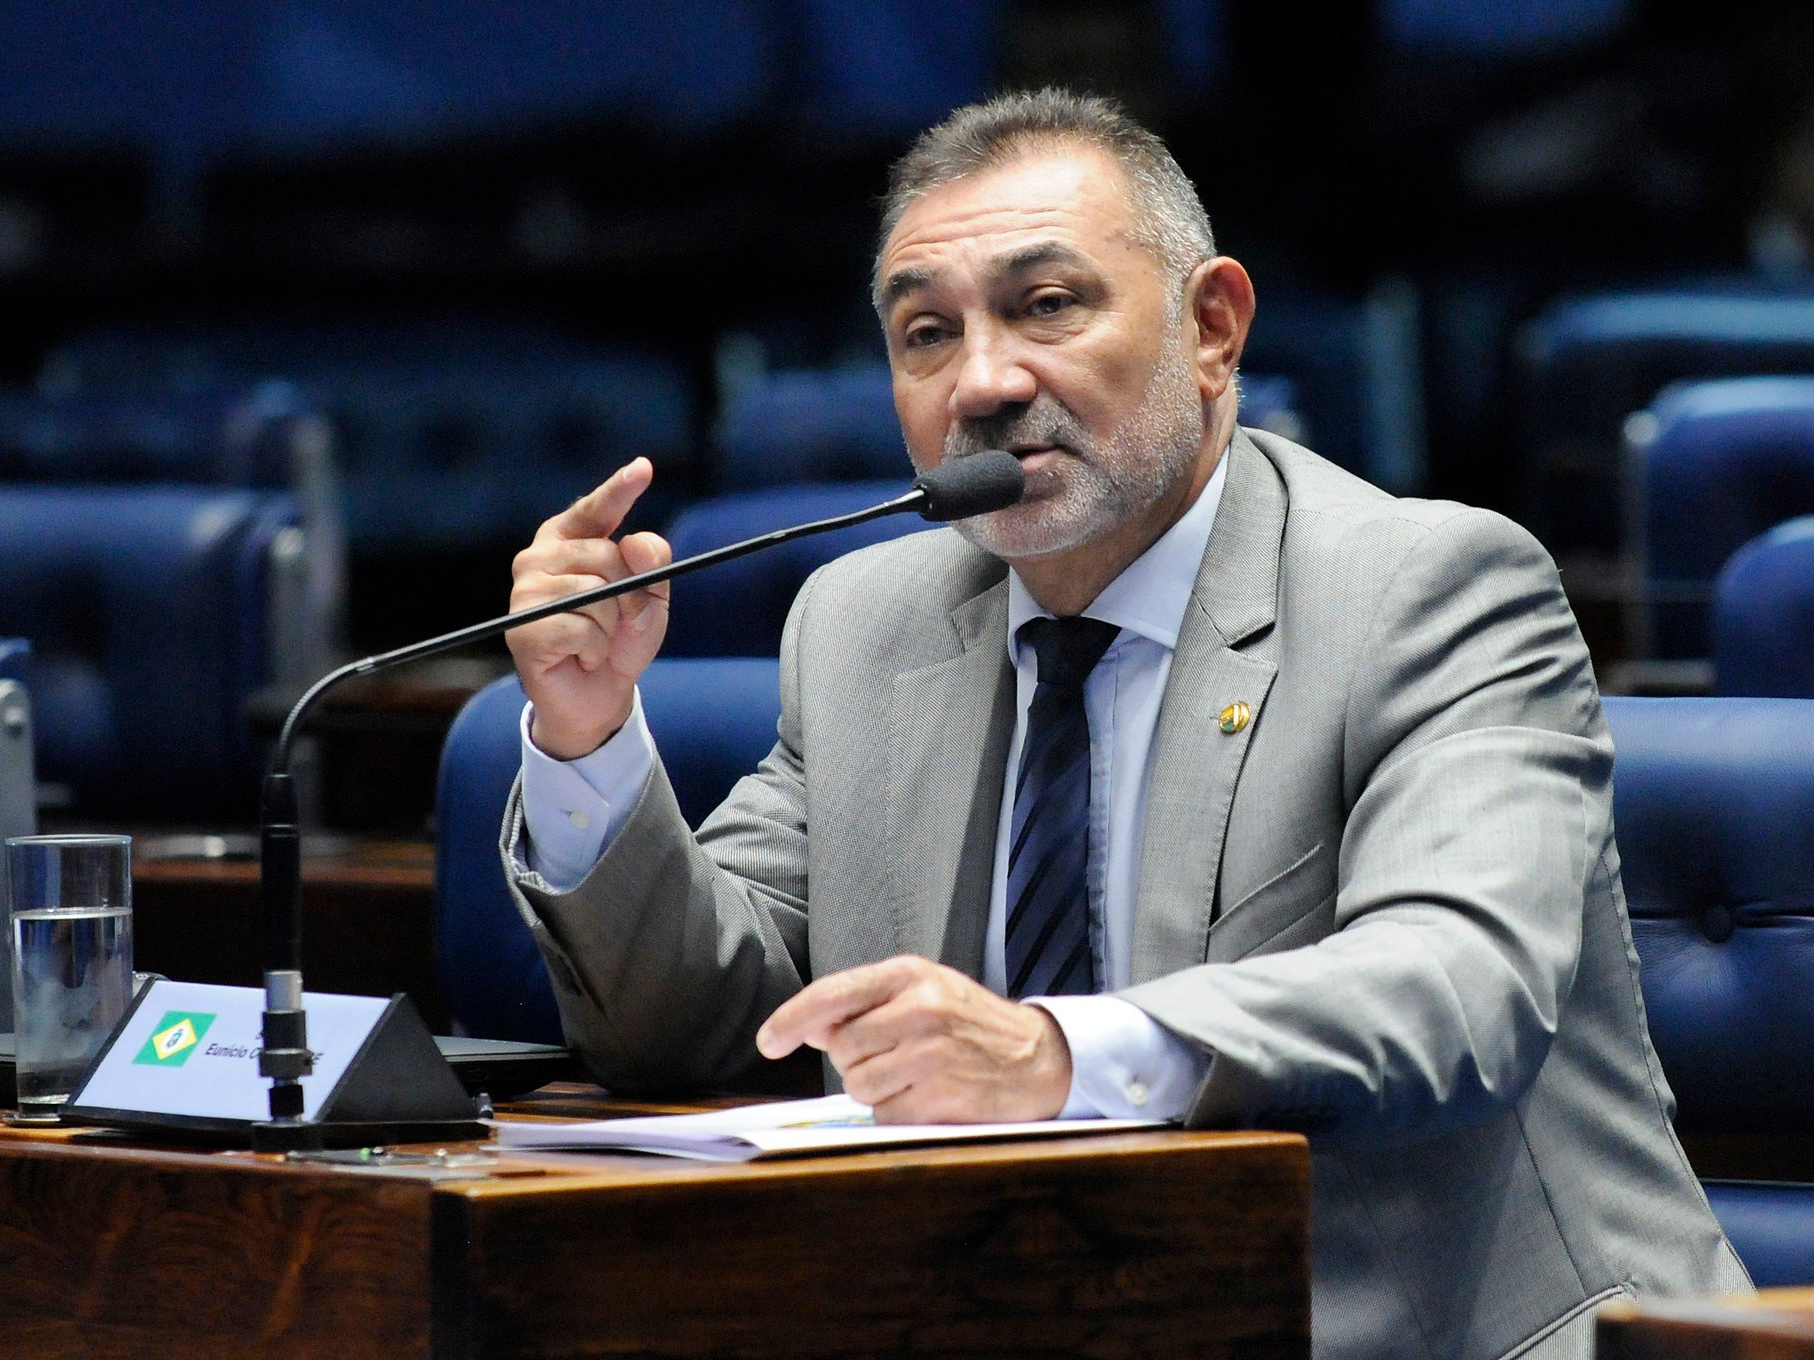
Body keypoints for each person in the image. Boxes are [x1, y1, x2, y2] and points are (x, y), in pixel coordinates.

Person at [498, 89, 1746, 1359]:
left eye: (1047, 306)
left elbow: (1454, 988)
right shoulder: (865, 624)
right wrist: (588, 738)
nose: (981, 383)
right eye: (926, 333)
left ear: (1212, 328)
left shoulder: (1427, 587)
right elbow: (706, 1022)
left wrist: (1051, 1057)